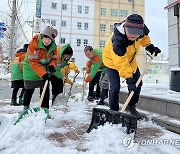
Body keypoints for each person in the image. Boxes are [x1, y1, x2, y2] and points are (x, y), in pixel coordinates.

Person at [102, 14, 161, 119]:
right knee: (115, 88)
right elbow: (120, 62)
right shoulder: (118, 39)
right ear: (125, 27)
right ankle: (114, 112)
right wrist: (129, 79)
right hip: (112, 62)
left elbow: (144, 38)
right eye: (131, 34)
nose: (133, 37)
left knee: (138, 84)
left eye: (136, 35)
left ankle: (131, 106)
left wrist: (150, 47)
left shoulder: (140, 31)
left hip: (130, 61)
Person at [22, 26, 58, 110]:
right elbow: (33, 61)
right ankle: (25, 108)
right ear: (42, 36)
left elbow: (53, 58)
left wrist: (52, 65)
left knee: (45, 90)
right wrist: (44, 74)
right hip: (30, 69)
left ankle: (45, 109)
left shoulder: (53, 47)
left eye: (49, 39)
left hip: (43, 69)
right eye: (45, 37)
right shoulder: (34, 44)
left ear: (52, 40)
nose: (46, 41)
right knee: (29, 89)